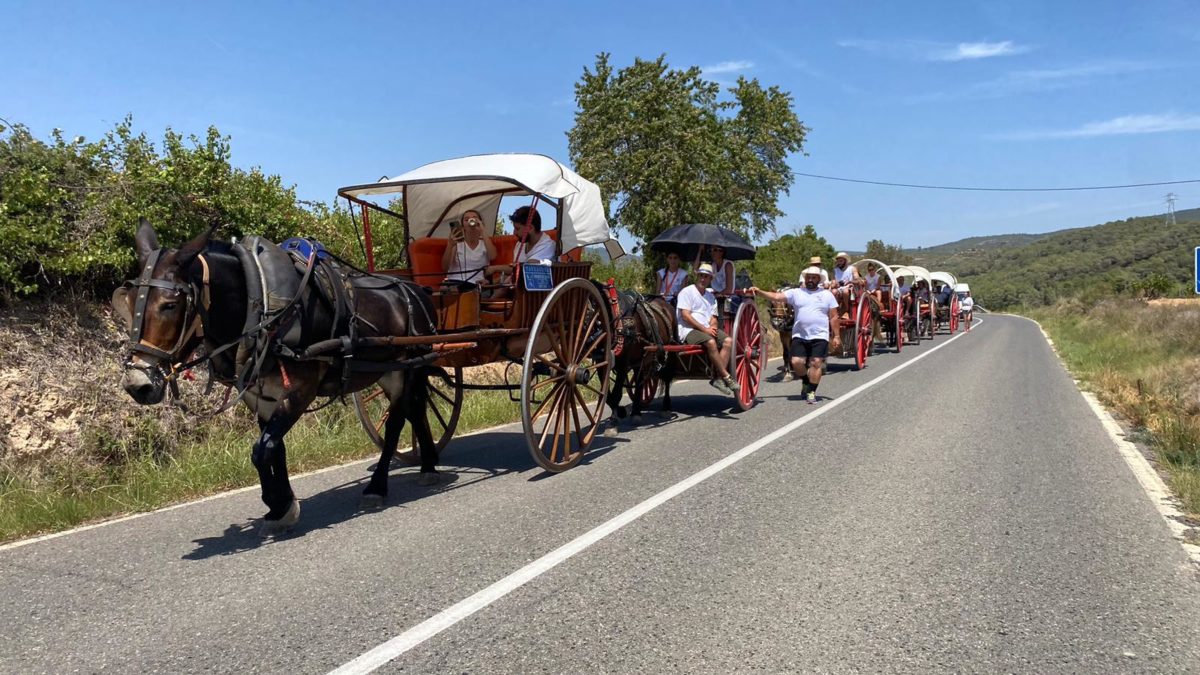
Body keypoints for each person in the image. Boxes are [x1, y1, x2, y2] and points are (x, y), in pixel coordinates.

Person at [750, 266, 840, 404]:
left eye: (813, 277)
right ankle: (805, 382)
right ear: (805, 278)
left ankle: (811, 392)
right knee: (796, 362)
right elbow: (776, 296)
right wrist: (759, 292)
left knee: (816, 363)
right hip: (800, 334)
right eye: (808, 277)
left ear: (818, 279)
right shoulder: (796, 293)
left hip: (820, 335)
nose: (810, 280)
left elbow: (834, 317)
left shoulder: (827, 295)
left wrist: (837, 336)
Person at [676, 263, 738, 396]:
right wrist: (705, 329)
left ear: (710, 279)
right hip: (688, 330)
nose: (703, 279)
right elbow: (685, 316)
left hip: (706, 329)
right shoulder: (687, 292)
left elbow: (713, 317)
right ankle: (726, 376)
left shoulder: (710, 297)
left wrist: (713, 327)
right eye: (701, 276)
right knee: (710, 342)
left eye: (706, 277)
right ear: (697, 276)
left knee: (728, 341)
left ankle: (717, 378)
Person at [487, 206, 557, 296]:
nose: (514, 233)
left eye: (517, 228)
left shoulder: (548, 245)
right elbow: (513, 272)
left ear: (531, 228)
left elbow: (525, 269)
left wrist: (494, 268)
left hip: (539, 295)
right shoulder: (521, 243)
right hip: (520, 291)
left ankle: (486, 306)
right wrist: (490, 283)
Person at [442, 209, 496, 285]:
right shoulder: (456, 242)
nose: (471, 220)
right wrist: (450, 245)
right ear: (462, 226)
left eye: (475, 218)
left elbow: (493, 256)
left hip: (477, 284)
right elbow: (445, 267)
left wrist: (482, 231)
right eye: (466, 219)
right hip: (455, 282)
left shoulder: (485, 243)